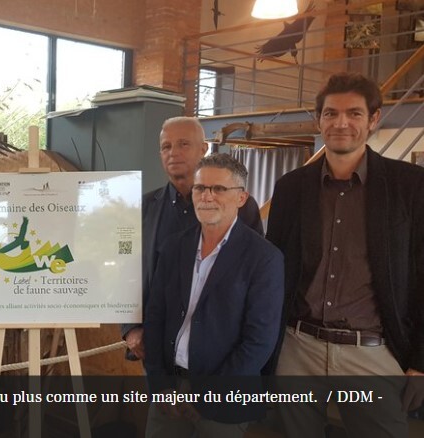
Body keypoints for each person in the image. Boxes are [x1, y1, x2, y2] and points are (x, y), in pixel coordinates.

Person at [266, 72, 424, 437]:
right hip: (298, 349)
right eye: (331, 113)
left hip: (372, 353)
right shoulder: (290, 188)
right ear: (318, 120)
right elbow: (274, 272)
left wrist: (420, 360)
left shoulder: (410, 186)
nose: (341, 123)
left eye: (354, 113)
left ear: (373, 119)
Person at [143, 153, 284, 437]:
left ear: (241, 198)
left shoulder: (264, 258)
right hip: (171, 391)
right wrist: (159, 384)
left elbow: (259, 341)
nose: (207, 196)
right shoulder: (174, 247)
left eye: (218, 188)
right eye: (200, 188)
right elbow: (155, 317)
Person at [122, 116, 263, 360]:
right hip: (157, 346)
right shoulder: (143, 208)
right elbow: (126, 269)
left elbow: (254, 274)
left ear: (204, 148)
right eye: (166, 146)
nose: (173, 153)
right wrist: (130, 327)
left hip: (220, 346)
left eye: (183, 144)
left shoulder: (239, 207)